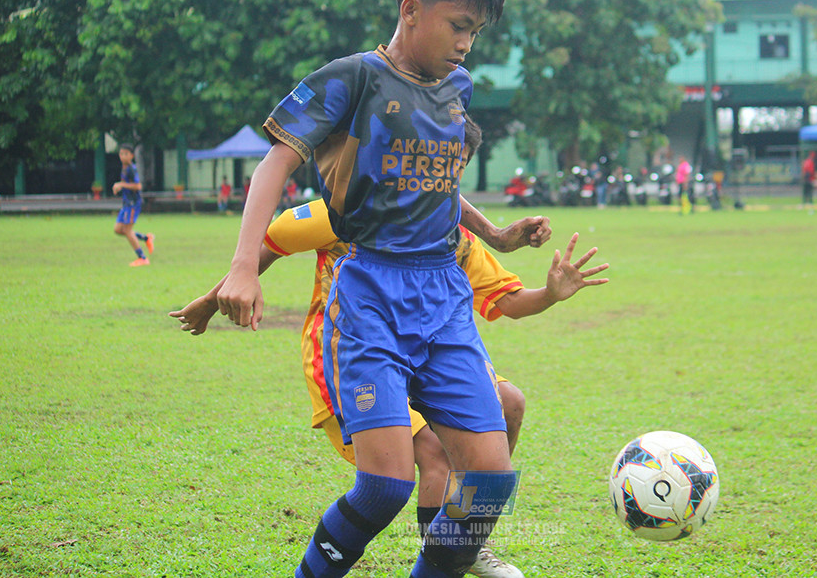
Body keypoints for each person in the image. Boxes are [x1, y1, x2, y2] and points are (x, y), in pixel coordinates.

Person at [214, 0, 549, 577]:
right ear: (411, 9)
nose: (466, 42)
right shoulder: (351, 80)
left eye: (476, 30)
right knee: (386, 486)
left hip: (444, 298)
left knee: (489, 478)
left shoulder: (459, 89)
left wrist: (495, 234)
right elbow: (272, 168)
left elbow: (436, 181)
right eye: (458, 24)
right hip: (371, 294)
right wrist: (239, 268)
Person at [169, 198, 608, 577]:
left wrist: (550, 293)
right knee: (421, 462)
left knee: (509, 403)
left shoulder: (452, 229)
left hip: (431, 345)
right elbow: (271, 241)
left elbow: (508, 300)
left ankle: (460, 544)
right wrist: (214, 299)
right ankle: (444, 550)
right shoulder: (344, 208)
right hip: (354, 347)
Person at [112, 143, 154, 267]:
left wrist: (121, 185)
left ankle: (143, 258)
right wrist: (120, 186)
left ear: (131, 156)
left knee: (127, 230)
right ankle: (146, 238)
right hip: (126, 204)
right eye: (121, 153)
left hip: (133, 204)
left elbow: (138, 186)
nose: (123, 156)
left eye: (125, 154)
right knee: (118, 230)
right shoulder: (124, 167)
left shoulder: (131, 168)